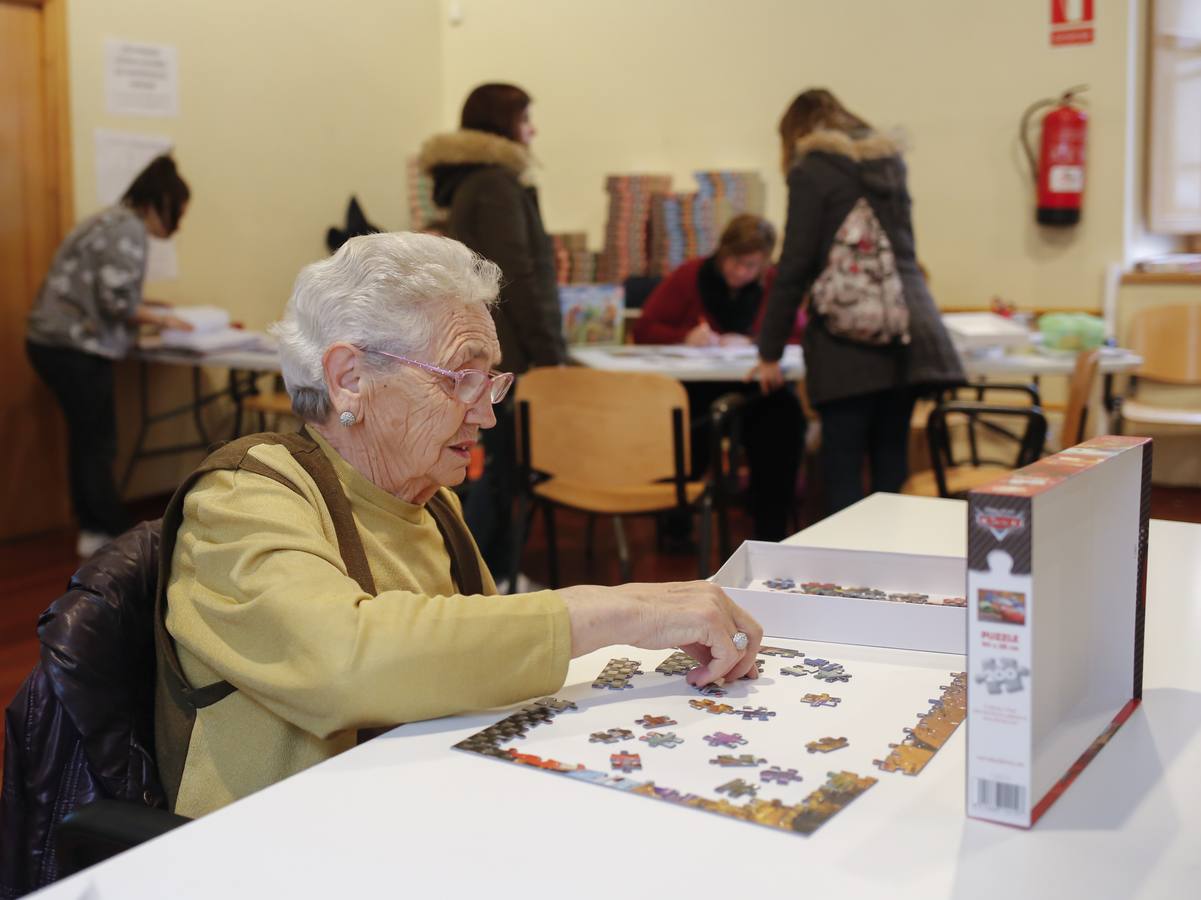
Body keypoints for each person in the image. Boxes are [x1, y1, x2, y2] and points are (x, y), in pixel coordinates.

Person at [157, 232, 762, 818]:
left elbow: (476, 665)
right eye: (458, 378)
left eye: (490, 380)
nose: (486, 414)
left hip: (419, 821)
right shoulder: (241, 497)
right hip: (267, 857)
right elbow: (344, 659)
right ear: (349, 378)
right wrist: (623, 611)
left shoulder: (433, 503)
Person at [753, 89, 963, 514]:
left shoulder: (812, 170)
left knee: (843, 469)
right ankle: (893, 570)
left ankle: (847, 578)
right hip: (906, 335)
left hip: (844, 344)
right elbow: (904, 255)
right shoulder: (889, 163)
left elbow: (794, 265)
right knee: (891, 464)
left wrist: (769, 352)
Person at [418, 83, 566, 590]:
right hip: (512, 354)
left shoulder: (472, 182)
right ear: (505, 123)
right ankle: (485, 579)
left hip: (494, 349)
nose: (533, 130)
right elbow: (518, 277)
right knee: (504, 471)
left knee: (499, 466)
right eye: (526, 118)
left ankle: (491, 576)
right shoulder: (497, 185)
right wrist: (551, 356)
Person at [25, 155, 193, 557]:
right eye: (178, 215)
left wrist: (150, 303)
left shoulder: (108, 221)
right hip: (74, 347)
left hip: (50, 342)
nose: (177, 226)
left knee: (87, 438)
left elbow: (100, 289)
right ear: (161, 204)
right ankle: (111, 530)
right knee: (99, 442)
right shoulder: (129, 231)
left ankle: (93, 527)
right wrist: (165, 320)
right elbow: (115, 302)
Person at [634, 215, 805, 542]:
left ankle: (770, 533)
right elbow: (644, 329)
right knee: (682, 426)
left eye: (751, 265)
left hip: (756, 390)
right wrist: (685, 337)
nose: (740, 272)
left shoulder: (774, 285)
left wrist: (757, 343)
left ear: (765, 263)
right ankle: (676, 524)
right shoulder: (689, 276)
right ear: (722, 252)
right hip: (697, 390)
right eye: (734, 261)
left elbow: (799, 333)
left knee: (785, 420)